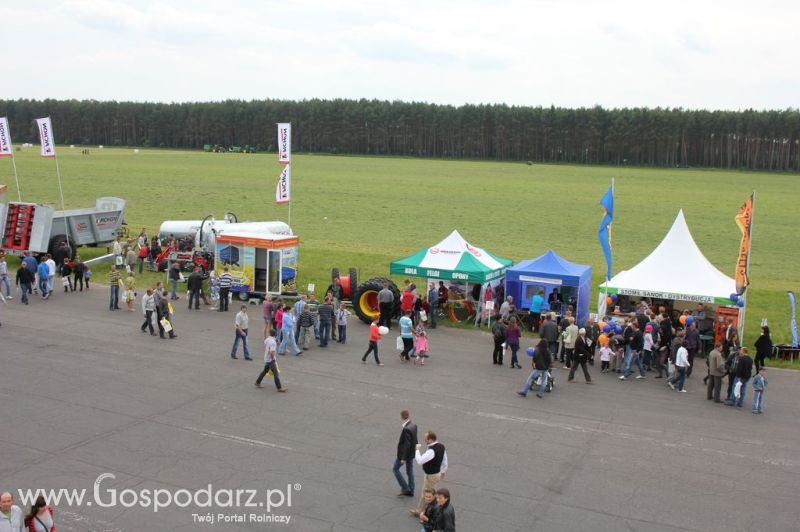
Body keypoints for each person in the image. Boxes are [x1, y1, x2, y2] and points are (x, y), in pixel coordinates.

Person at [412, 431, 448, 517]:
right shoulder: (441, 446)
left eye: (426, 438)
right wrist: (443, 471)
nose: (424, 439)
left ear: (430, 440)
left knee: (426, 494)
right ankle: (436, 507)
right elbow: (445, 459)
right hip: (437, 474)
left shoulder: (431, 451)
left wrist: (417, 450)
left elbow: (420, 461)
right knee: (433, 492)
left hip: (431, 475)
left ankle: (421, 511)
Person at [393, 410, 418, 497]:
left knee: (395, 469)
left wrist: (403, 458)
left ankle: (405, 488)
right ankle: (411, 489)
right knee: (410, 471)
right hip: (411, 453)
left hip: (404, 454)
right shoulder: (414, 425)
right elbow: (415, 439)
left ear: (402, 417)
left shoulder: (406, 429)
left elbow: (406, 444)